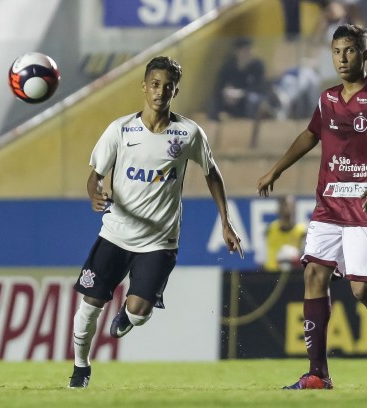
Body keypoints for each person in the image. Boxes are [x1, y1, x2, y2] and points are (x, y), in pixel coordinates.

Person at [257, 24, 367, 390]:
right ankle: (318, 373)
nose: (342, 58)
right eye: (336, 51)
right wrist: (275, 169)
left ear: (364, 54)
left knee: (362, 290)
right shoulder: (327, 99)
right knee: (314, 272)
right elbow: (310, 135)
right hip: (330, 202)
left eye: (349, 51)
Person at [68, 56, 244, 388]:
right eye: (154, 84)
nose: (160, 91)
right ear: (144, 87)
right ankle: (80, 368)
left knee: (138, 313)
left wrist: (226, 221)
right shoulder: (120, 130)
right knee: (90, 304)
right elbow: (96, 176)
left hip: (159, 242)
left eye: (167, 86)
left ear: (175, 90)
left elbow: (212, 174)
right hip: (115, 234)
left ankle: (126, 316)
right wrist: (96, 193)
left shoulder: (188, 133)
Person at [207, 37, 266, 121]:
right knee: (215, 101)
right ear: (237, 52)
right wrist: (226, 93)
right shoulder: (229, 66)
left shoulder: (258, 66)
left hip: (247, 97)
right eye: (243, 50)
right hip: (231, 98)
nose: (246, 53)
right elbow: (219, 87)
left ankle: (248, 123)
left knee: (252, 99)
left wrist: (241, 93)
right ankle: (215, 125)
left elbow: (259, 87)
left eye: (248, 50)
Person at [262, 195, 307, 273]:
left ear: (295, 209)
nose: (287, 210)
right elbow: (260, 260)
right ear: (278, 209)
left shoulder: (303, 232)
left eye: (290, 206)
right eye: (284, 206)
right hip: (271, 276)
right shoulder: (269, 230)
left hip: (295, 276)